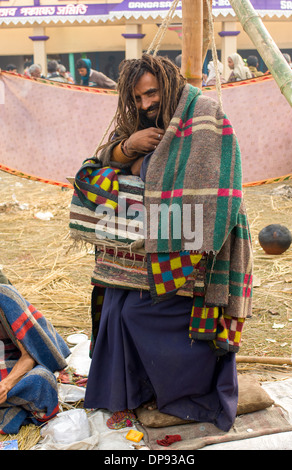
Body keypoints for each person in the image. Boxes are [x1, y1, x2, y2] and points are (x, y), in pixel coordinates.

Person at [77, 54, 252, 433]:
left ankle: (187, 392)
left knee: (140, 313)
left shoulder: (204, 114)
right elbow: (91, 168)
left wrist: (140, 166)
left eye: (151, 94)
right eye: (138, 98)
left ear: (168, 84)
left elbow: (211, 187)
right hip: (152, 245)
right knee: (116, 304)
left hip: (204, 246)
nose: (145, 104)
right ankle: (132, 393)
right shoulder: (141, 122)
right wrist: (129, 147)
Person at [0, 272, 70, 434]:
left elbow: (29, 356)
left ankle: (12, 404)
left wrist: (5, 385)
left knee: (42, 379)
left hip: (13, 368)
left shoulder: (6, 299)